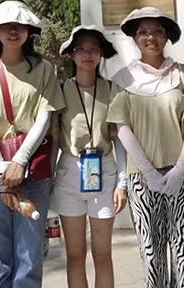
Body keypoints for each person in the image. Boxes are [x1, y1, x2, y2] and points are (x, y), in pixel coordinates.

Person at [0, 0, 65, 288]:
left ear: (29, 31)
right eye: (5, 26)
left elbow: (44, 117)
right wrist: (2, 170)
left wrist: (19, 161)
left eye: (19, 26)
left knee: (29, 257)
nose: (13, 31)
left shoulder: (44, 69)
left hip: (33, 170)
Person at [107, 7, 184, 288]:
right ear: (134, 37)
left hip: (183, 177)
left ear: (167, 36)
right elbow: (122, 128)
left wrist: (181, 167)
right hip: (141, 180)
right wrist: (148, 172)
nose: (150, 37)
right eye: (142, 32)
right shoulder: (123, 80)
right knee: (151, 253)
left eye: (157, 31)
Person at [49, 25, 128, 288]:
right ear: (71, 54)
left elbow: (119, 138)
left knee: (102, 254)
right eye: (81, 49)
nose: (87, 54)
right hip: (69, 172)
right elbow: (55, 139)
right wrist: (47, 179)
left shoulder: (112, 89)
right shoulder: (61, 90)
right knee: (75, 255)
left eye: (94, 49)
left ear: (101, 53)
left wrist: (122, 182)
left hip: (104, 171)